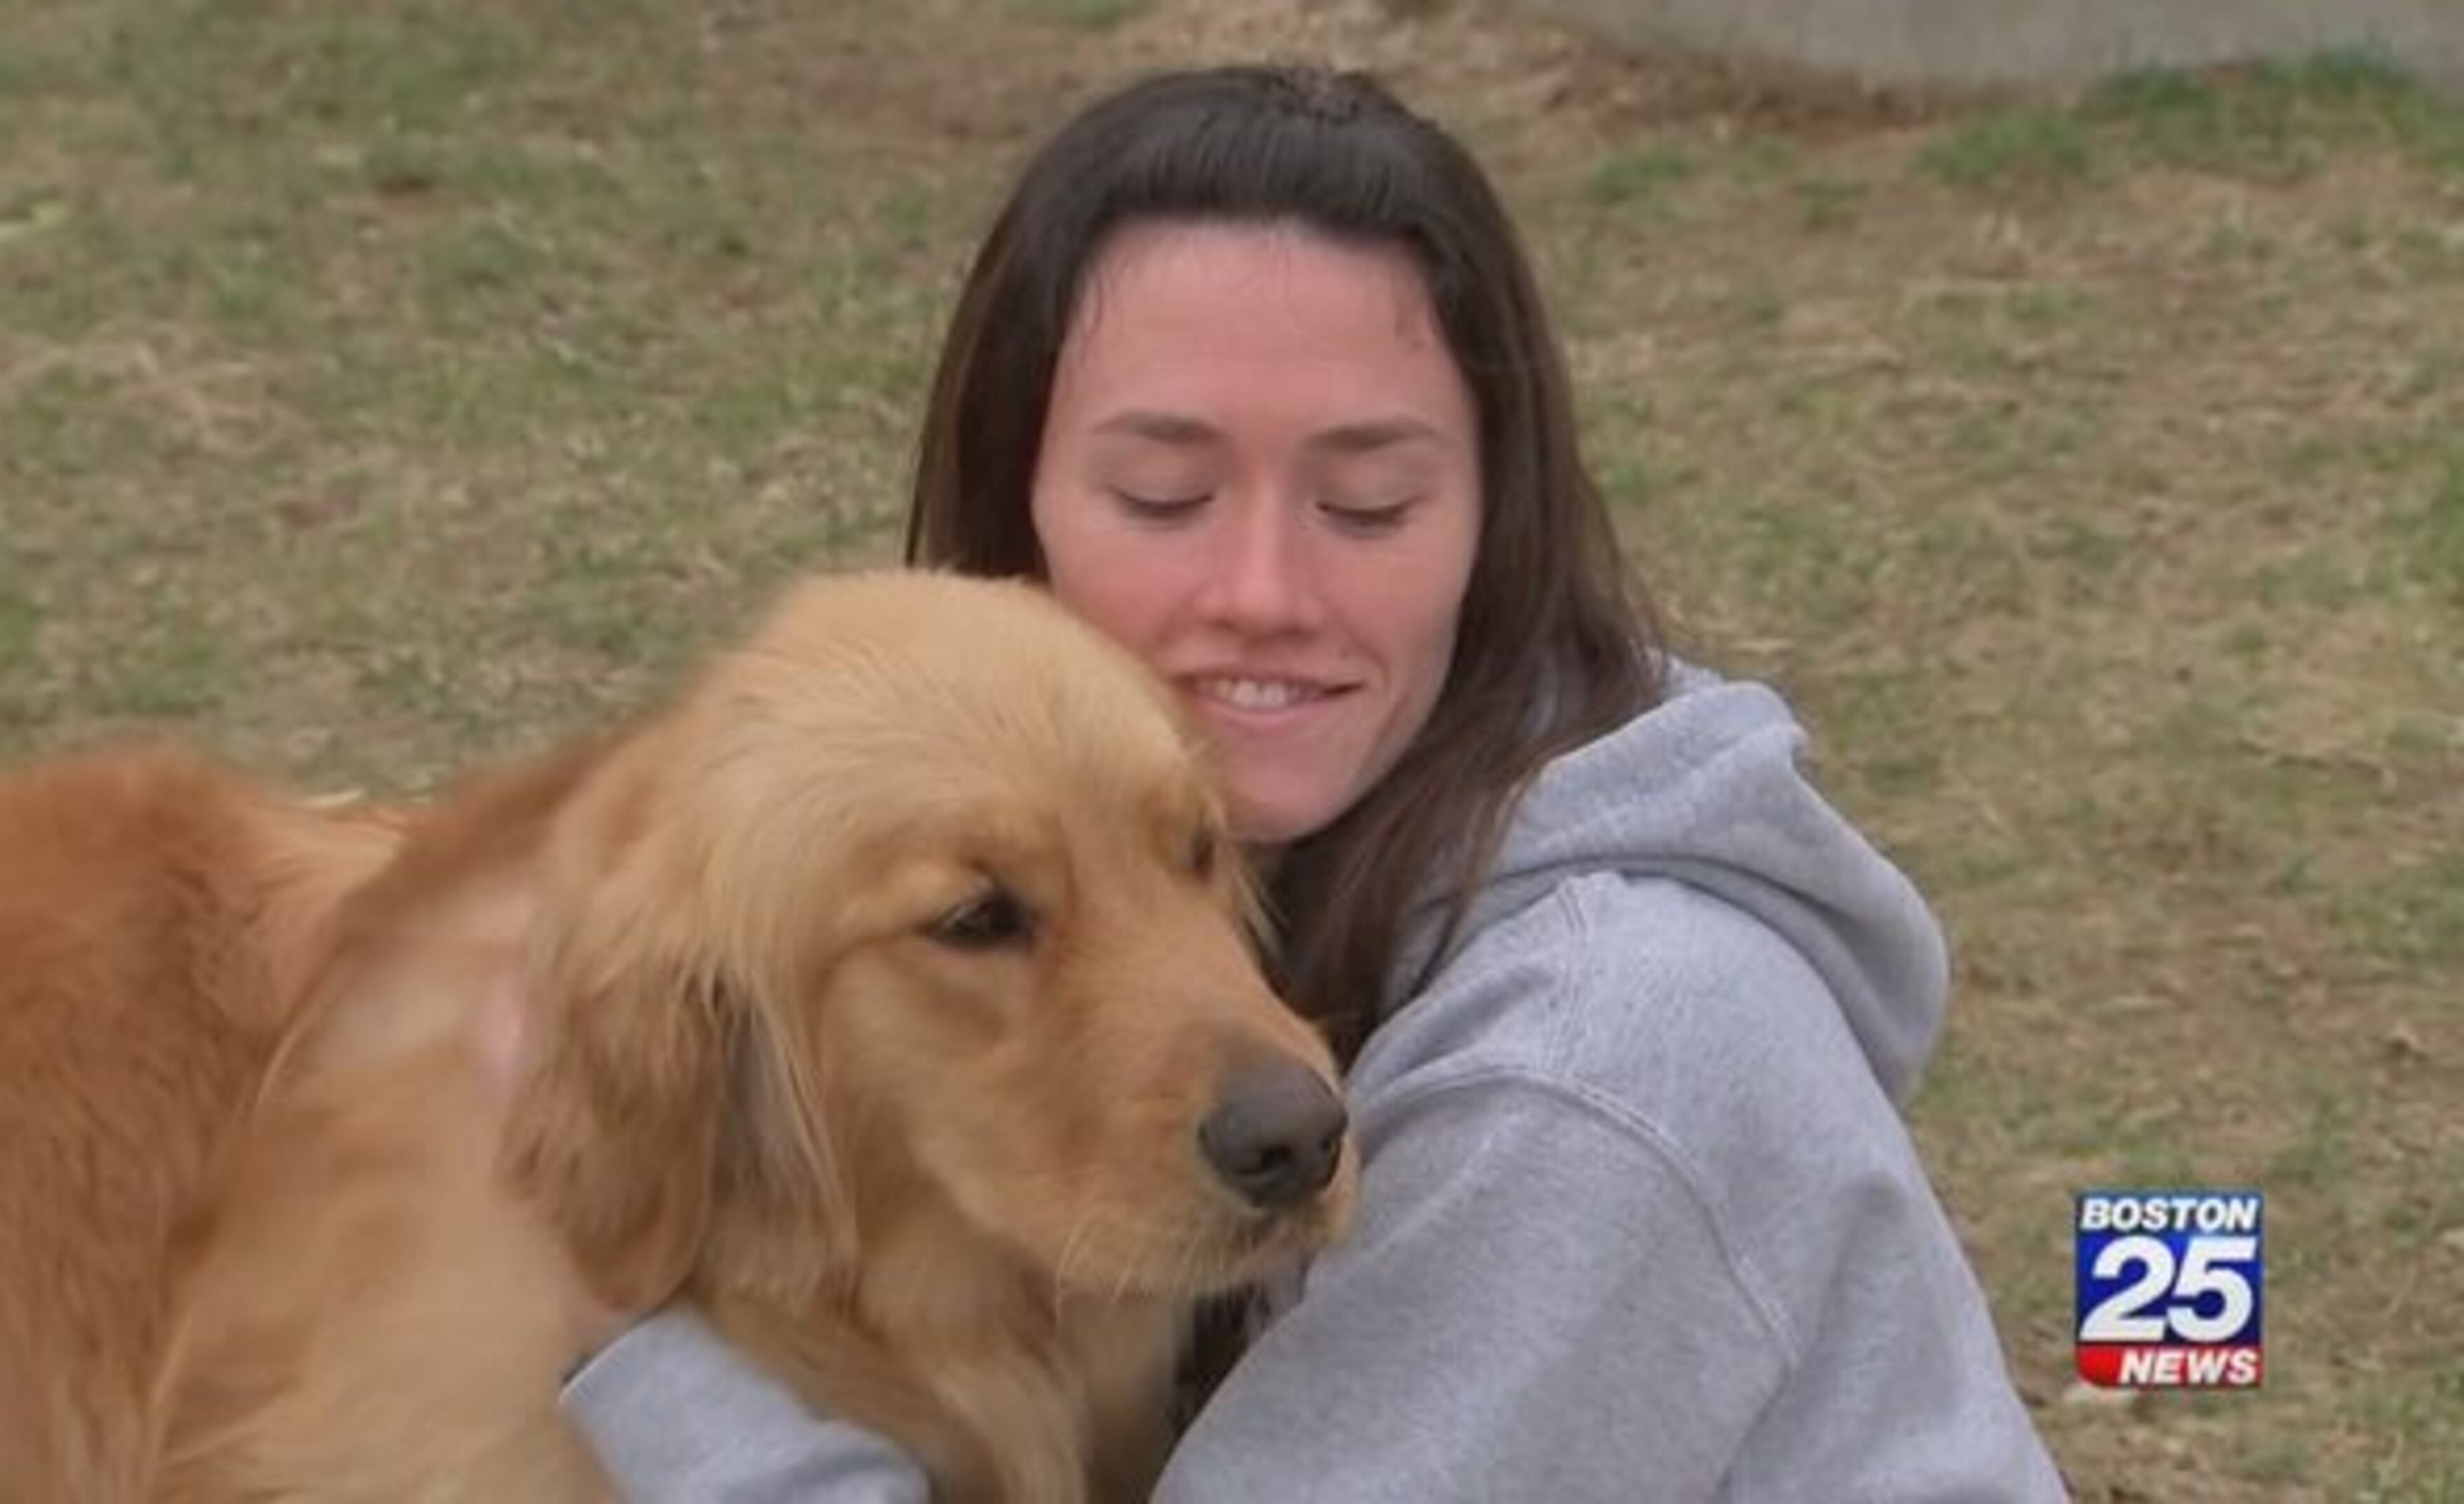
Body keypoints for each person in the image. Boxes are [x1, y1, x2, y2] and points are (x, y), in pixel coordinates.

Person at [560, 63, 2067, 1501]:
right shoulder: (1184, 847)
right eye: (1165, 495)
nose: (1265, 590)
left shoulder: (1600, 1063)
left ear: (1495, 523)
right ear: (1009, 507)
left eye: (1368, 501)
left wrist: (619, 1348)